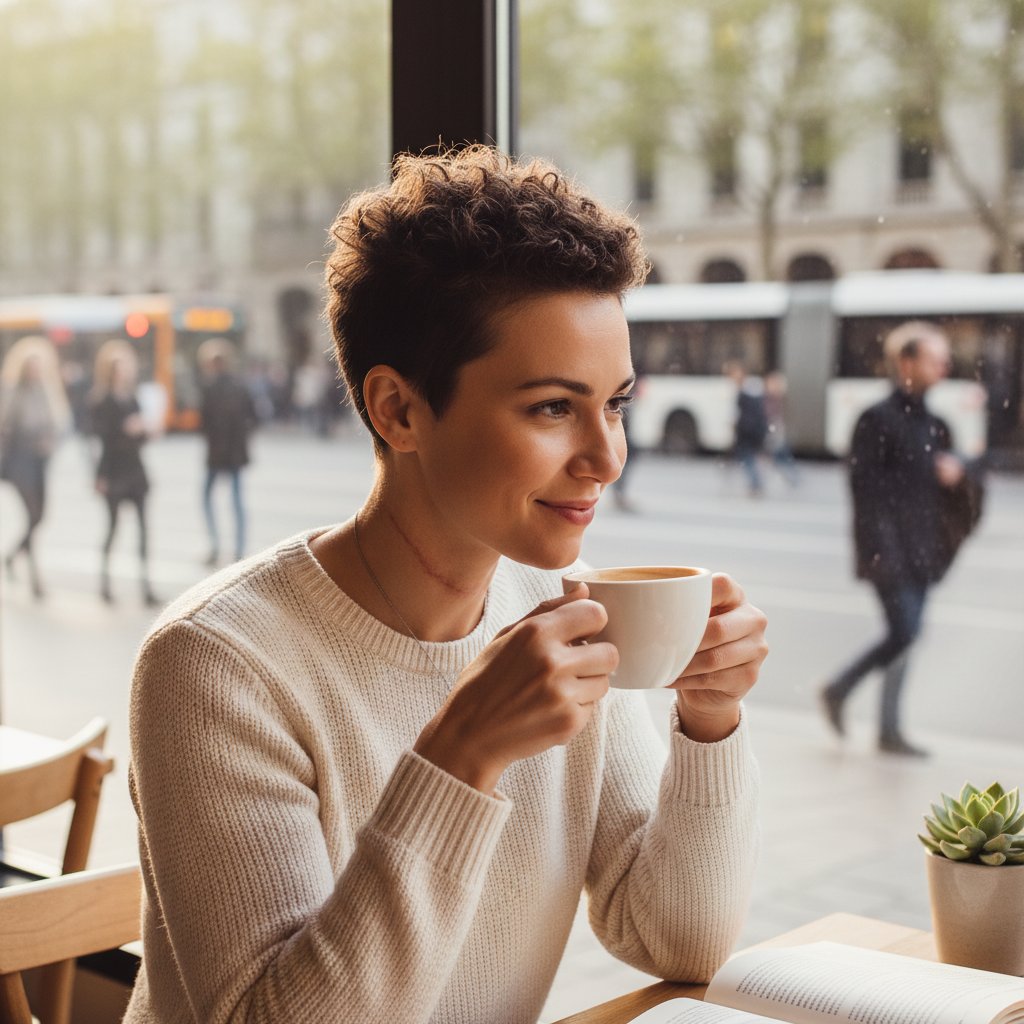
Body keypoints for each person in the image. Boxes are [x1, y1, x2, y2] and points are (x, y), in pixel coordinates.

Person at [124, 147, 768, 1024]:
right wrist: (460, 757)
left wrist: (710, 719)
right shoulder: (215, 666)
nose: (607, 456)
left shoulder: (566, 617)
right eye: (551, 407)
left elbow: (678, 942)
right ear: (397, 410)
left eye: (615, 403)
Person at [820, 321, 982, 757]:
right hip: (890, 552)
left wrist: (960, 471)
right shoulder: (876, 420)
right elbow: (865, 493)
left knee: (907, 635)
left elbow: (966, 475)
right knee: (905, 631)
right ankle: (839, 688)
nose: (944, 366)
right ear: (906, 363)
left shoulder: (936, 424)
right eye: (935, 359)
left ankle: (889, 729)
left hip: (926, 550)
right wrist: (881, 552)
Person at [0, 336, 70, 599]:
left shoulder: (47, 391)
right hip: (21, 462)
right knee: (32, 515)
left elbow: (60, 425)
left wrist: (50, 442)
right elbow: (6, 427)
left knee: (40, 516)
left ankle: (11, 556)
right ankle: (34, 577)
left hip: (41, 461)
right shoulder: (14, 392)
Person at [89, 339, 158, 607]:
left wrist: (145, 431)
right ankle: (104, 583)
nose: (125, 371)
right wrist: (124, 429)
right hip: (114, 470)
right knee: (113, 527)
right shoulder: (102, 399)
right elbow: (101, 438)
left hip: (135, 469)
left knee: (143, 529)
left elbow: (140, 437)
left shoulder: (133, 397)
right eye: (119, 366)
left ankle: (146, 586)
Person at [198, 337, 257, 566]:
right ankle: (239, 549)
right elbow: (254, 418)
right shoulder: (240, 386)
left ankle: (214, 545)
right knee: (237, 502)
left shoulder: (209, 388)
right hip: (235, 454)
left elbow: (203, 424)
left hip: (216, 454)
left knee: (207, 498)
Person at [725, 360, 768, 496]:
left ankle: (756, 485)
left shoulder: (748, 390)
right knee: (749, 458)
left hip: (748, 430)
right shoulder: (751, 388)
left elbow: (750, 412)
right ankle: (755, 484)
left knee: (747, 458)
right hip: (750, 429)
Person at [762, 370, 799, 487]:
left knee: (780, 455)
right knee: (781, 456)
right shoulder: (768, 397)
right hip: (773, 429)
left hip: (776, 429)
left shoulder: (777, 398)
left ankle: (793, 477)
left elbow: (775, 416)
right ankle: (792, 476)